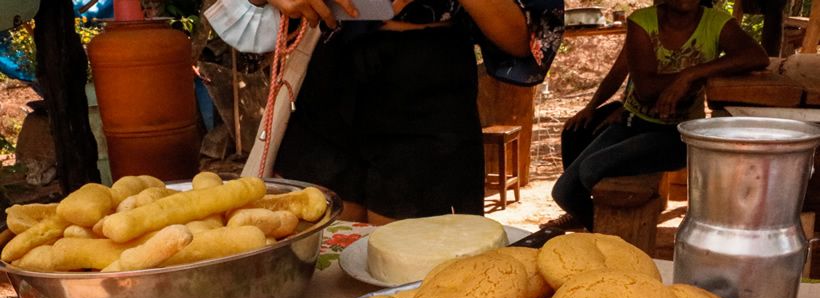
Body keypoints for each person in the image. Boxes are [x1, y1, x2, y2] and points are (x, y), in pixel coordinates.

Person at [263, 0, 564, 224]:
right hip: (322, 69)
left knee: (415, 275)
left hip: (427, 84)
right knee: (320, 261)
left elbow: (525, 37)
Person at [550, 0, 768, 231]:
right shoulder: (642, 22)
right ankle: (605, 233)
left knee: (591, 169)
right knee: (564, 192)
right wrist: (593, 107)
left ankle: (612, 239)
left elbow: (757, 56)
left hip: (678, 134)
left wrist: (691, 75)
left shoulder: (716, 23)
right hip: (632, 122)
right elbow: (644, 89)